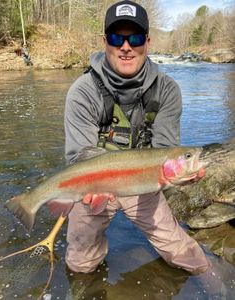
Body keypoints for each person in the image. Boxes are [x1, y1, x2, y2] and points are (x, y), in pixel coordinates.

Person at [64, 0, 223, 295]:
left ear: (147, 42)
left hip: (144, 180)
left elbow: (165, 151)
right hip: (95, 183)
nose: (126, 46)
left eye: (135, 38)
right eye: (117, 38)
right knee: (81, 262)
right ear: (105, 42)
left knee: (181, 249)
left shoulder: (167, 90)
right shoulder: (82, 91)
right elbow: (79, 155)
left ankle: (219, 285)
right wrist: (89, 187)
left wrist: (181, 174)